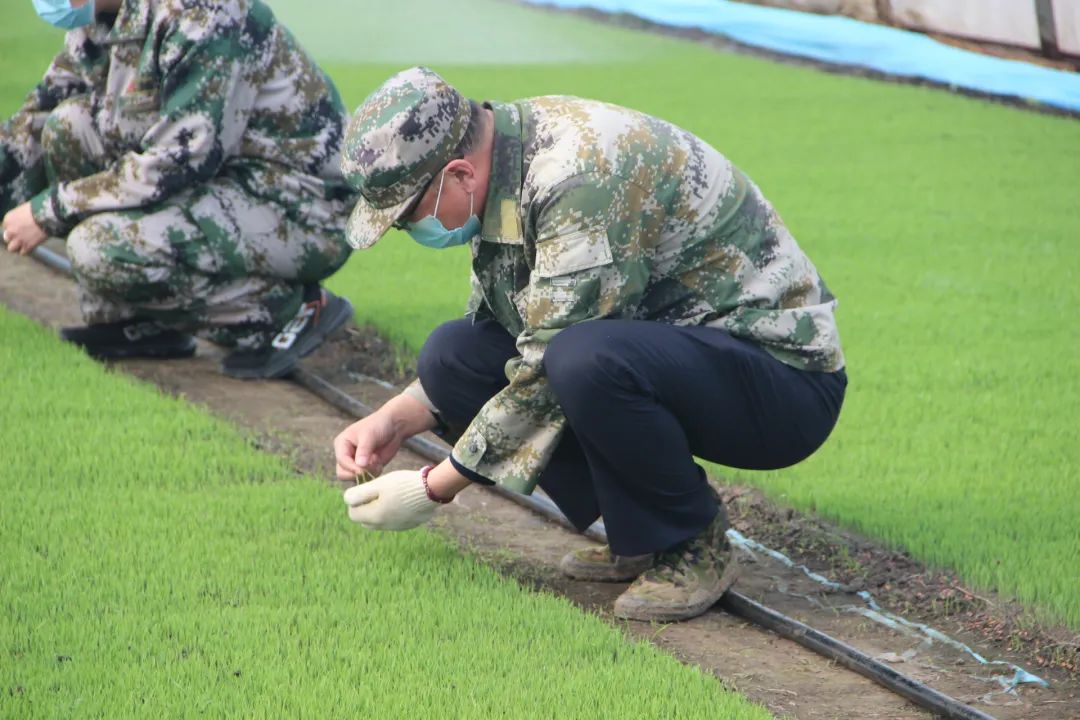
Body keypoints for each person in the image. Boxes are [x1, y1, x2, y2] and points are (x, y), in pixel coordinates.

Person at [332, 67, 847, 622]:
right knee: (453, 355)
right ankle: (642, 534)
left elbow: (551, 361)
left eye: (409, 218)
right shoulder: (504, 163)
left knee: (582, 360)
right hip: (676, 353)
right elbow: (508, 329)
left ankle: (695, 544)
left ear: (458, 173)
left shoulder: (575, 176)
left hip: (780, 381)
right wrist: (396, 417)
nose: (413, 233)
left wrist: (435, 486)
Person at [0, 0, 356, 378]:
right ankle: (137, 321)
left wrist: (48, 211)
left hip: (298, 205)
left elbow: (179, 160)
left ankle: (281, 312)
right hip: (222, 180)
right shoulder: (102, 17)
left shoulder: (205, 13)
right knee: (68, 125)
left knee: (97, 249)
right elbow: (37, 118)